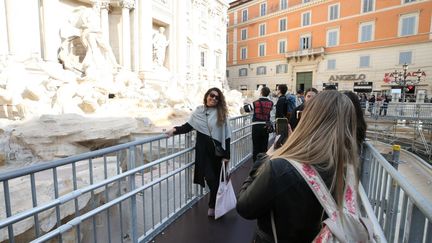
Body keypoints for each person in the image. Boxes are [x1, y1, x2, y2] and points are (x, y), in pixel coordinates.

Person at [237, 91, 360, 242]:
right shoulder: (347, 168)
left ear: (309, 118)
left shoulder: (280, 167)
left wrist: (264, 159)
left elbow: (244, 207)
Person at [165, 87, 230, 217]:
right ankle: (214, 206)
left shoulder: (221, 113)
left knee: (217, 181)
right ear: (207, 96)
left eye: (217, 98)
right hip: (203, 153)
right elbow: (187, 127)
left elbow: (227, 136)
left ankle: (213, 207)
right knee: (211, 179)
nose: (214, 99)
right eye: (212, 95)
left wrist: (227, 155)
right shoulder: (198, 112)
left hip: (217, 153)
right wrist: (174, 130)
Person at [252, 87, 274, 161]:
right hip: (266, 126)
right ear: (268, 94)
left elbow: (246, 109)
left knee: (256, 146)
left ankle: (255, 163)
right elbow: (270, 110)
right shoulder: (271, 103)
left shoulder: (255, 103)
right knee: (264, 146)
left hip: (256, 126)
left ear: (261, 92)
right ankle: (263, 163)